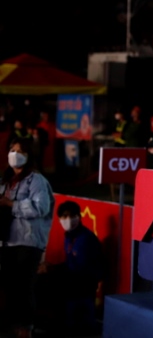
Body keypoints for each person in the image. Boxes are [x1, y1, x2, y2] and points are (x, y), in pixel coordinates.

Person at [0, 137, 55, 338]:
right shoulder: (5, 181)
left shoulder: (37, 180)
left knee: (24, 287)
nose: (15, 155)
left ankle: (25, 328)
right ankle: (11, 326)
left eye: (20, 151)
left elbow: (41, 207)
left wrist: (10, 204)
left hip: (29, 242)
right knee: (10, 286)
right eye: (12, 150)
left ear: (29, 155)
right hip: (7, 240)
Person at [36, 200, 103, 335]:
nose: (69, 219)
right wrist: (51, 268)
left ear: (79, 216)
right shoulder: (69, 236)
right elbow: (70, 263)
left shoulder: (85, 239)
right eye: (65, 216)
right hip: (73, 279)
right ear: (59, 219)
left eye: (72, 215)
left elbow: (81, 269)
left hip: (83, 284)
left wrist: (53, 270)